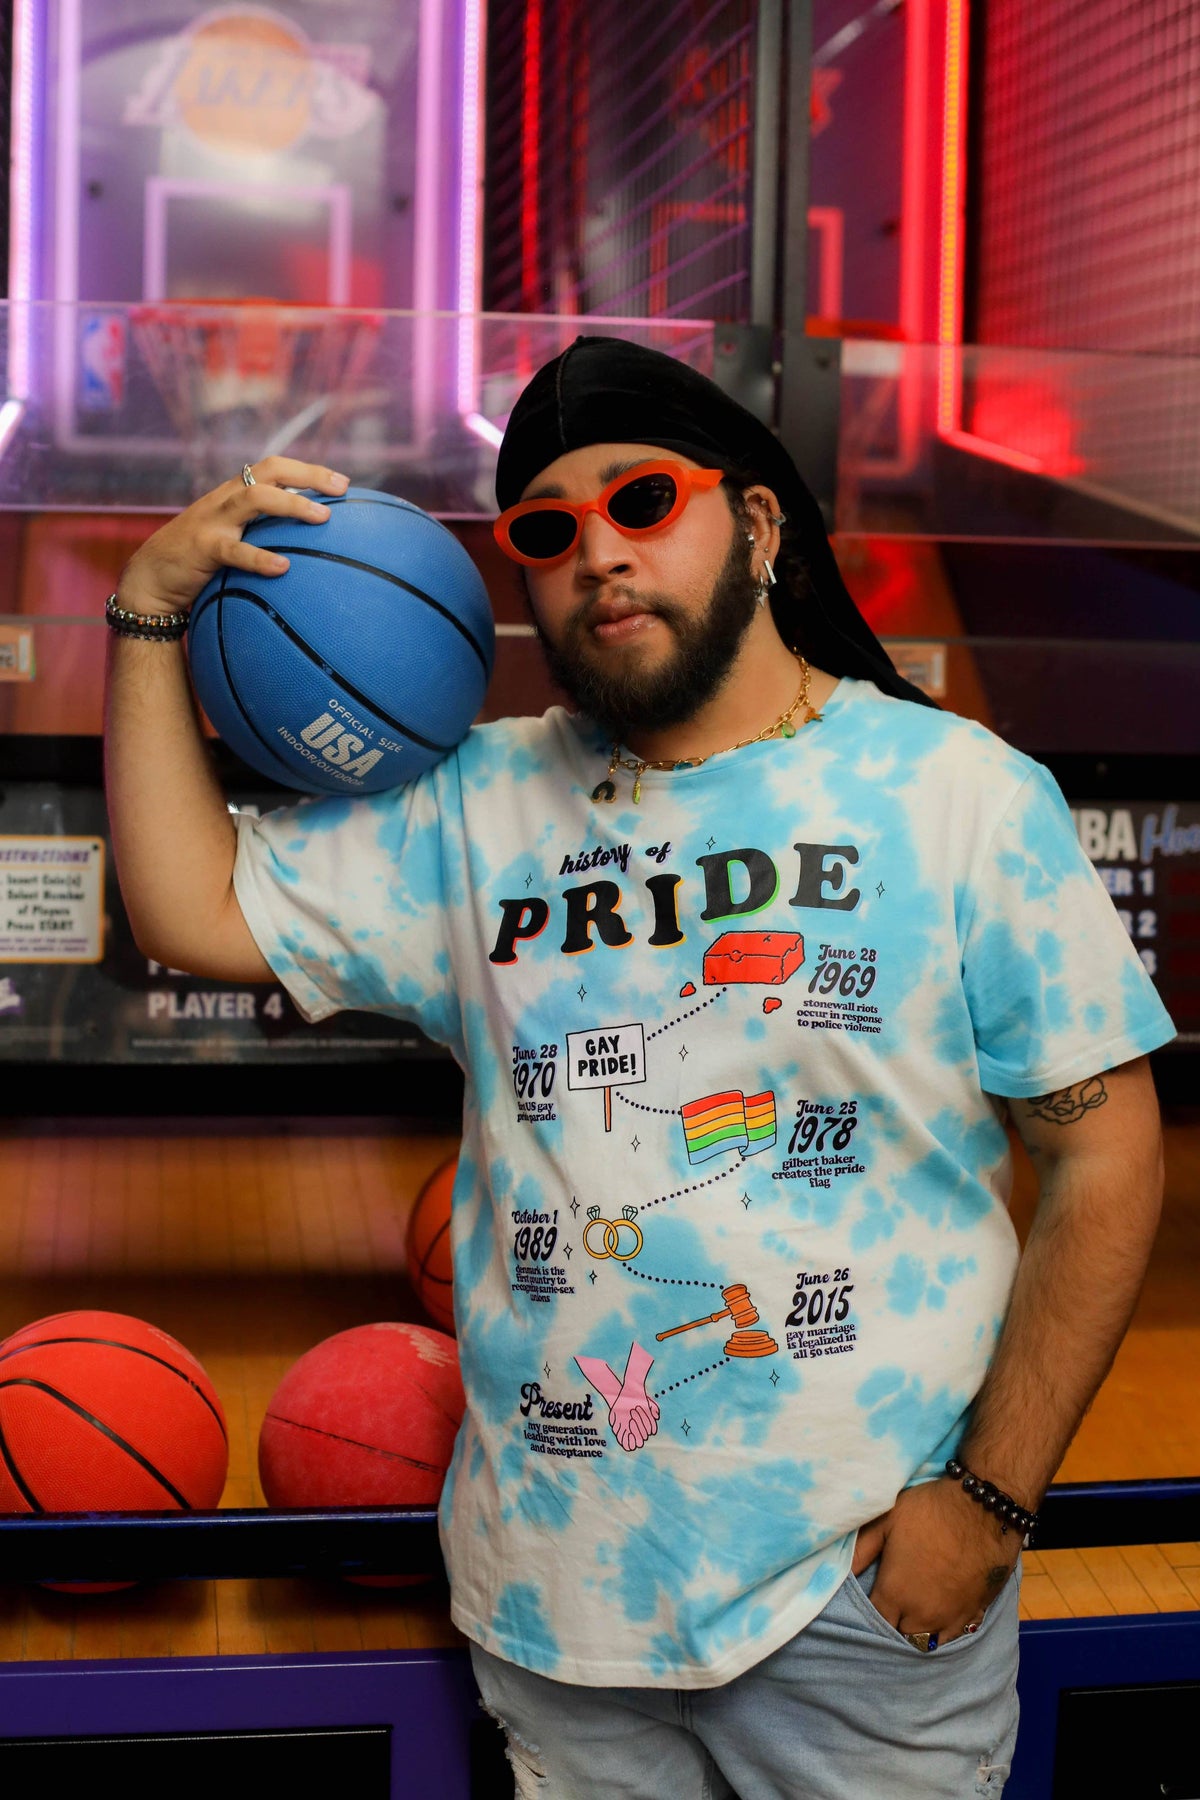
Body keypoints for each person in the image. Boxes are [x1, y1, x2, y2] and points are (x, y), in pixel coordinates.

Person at [105, 336, 1173, 1799]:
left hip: (856, 1597)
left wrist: (988, 1503)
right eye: (546, 530)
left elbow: (1107, 1152)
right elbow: (193, 908)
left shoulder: (956, 793)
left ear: (758, 521)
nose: (598, 550)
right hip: (559, 1611)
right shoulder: (477, 806)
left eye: (643, 499)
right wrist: (150, 613)